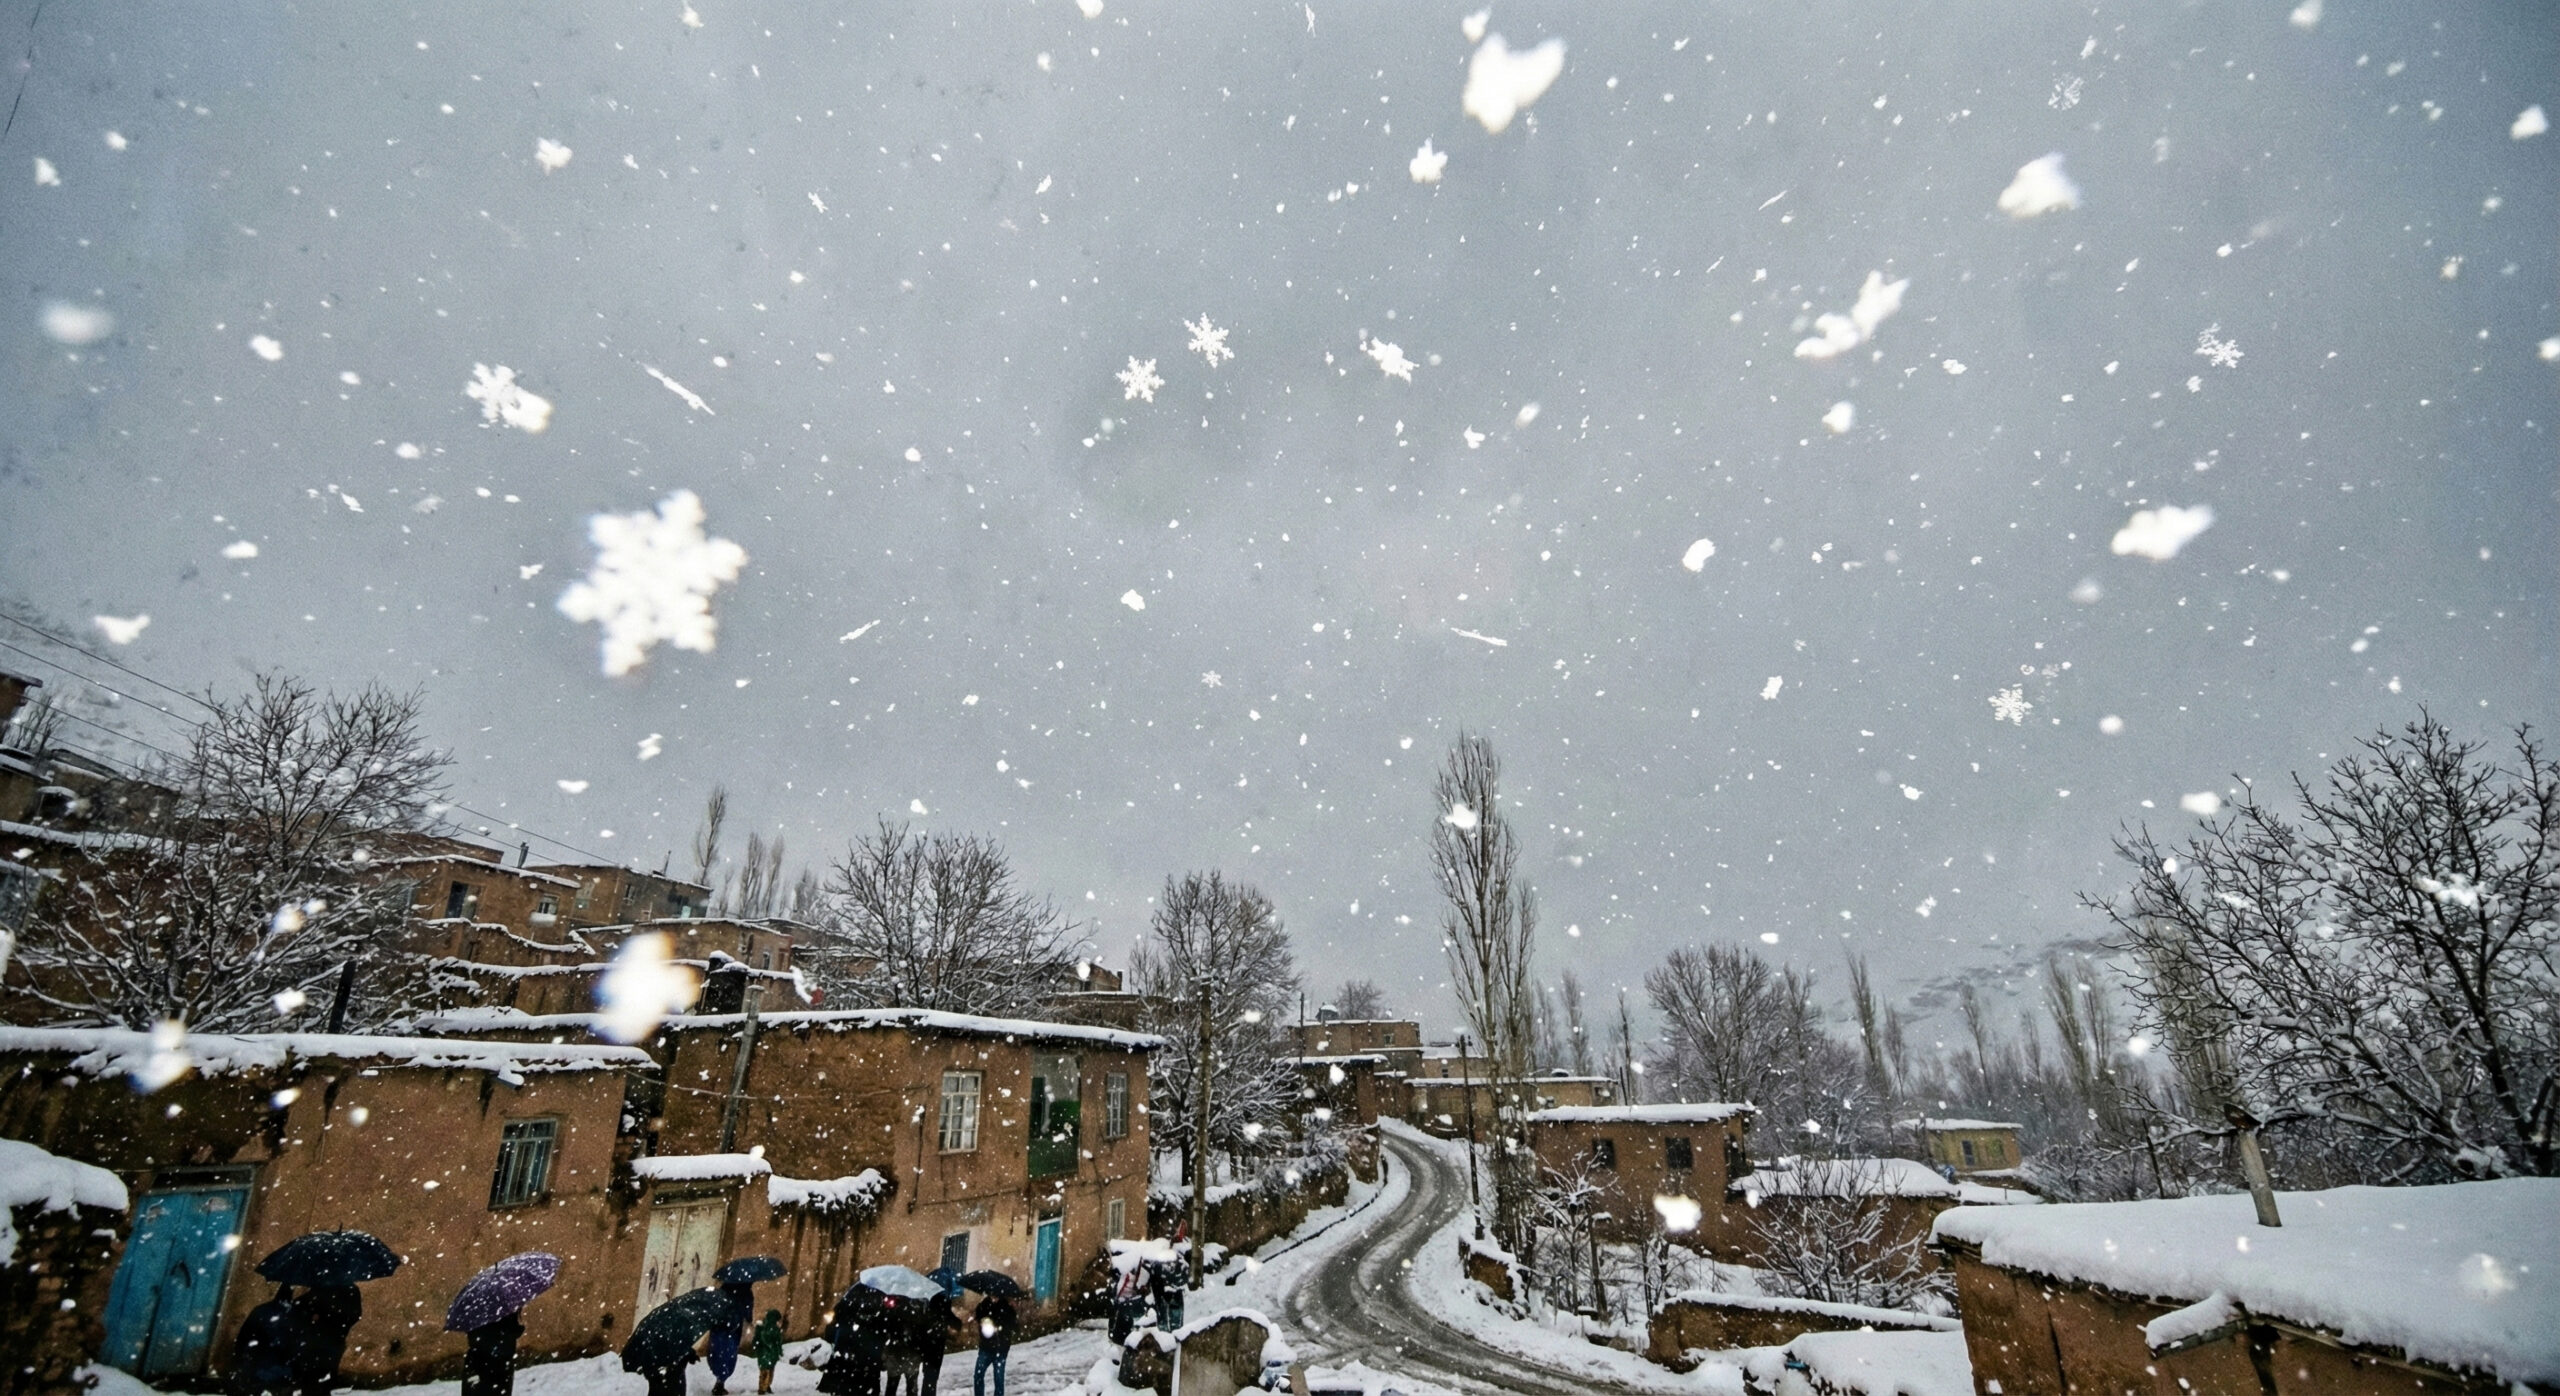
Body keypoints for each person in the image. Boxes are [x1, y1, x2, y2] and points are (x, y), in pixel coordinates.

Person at [291, 1282, 361, 1396]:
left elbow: (299, 1307)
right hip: (332, 1340)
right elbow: (355, 1315)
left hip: (318, 1342)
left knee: (313, 1379)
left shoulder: (321, 1289)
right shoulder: (349, 1288)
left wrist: (318, 1318)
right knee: (322, 1379)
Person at [232, 1286, 302, 1396]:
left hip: (259, 1365)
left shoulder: (261, 1311)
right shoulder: (295, 1316)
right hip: (280, 1367)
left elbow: (244, 1337)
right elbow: (297, 1343)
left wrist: (241, 1358)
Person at [459, 1311, 524, 1396]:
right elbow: (510, 1331)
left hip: (475, 1362)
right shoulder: (504, 1309)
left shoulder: (475, 1310)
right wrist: (520, 1328)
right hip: (499, 1364)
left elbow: (472, 1335)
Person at [708, 1282, 753, 1395]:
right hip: (732, 1329)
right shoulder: (746, 1292)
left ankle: (719, 1378)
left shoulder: (723, 1290)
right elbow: (748, 1312)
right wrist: (747, 1317)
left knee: (718, 1353)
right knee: (728, 1355)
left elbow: (714, 1308)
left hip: (719, 1328)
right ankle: (721, 1381)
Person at [914, 1287, 961, 1396]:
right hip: (934, 1343)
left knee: (917, 1376)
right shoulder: (941, 1300)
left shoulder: (920, 1298)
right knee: (930, 1376)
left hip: (921, 1342)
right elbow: (950, 1319)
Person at [971, 1293, 1016, 1396]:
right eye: (992, 1295)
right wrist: (980, 1319)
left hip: (1001, 1347)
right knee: (978, 1374)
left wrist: (999, 1327)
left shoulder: (1006, 1307)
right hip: (986, 1347)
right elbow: (979, 1318)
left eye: (996, 1295)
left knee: (999, 1378)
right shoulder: (984, 1305)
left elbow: (1013, 1325)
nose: (994, 1297)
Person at [752, 1309, 787, 1395]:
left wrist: (757, 1347)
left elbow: (756, 1340)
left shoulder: (761, 1327)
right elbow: (777, 1341)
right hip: (769, 1353)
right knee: (768, 1370)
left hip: (764, 1354)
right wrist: (778, 1350)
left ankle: (764, 1386)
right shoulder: (773, 1329)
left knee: (765, 1370)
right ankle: (764, 1387)